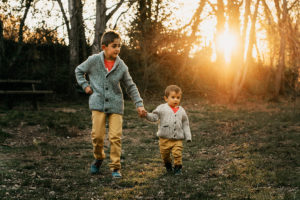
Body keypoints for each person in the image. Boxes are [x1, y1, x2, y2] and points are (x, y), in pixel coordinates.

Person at [75, 30, 146, 178]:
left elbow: (130, 86)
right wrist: (85, 85)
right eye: (114, 46)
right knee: (97, 136)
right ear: (104, 47)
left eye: (119, 46)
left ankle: (115, 167)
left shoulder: (121, 66)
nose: (117, 49)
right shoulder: (94, 60)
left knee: (115, 137)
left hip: (115, 105)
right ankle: (99, 158)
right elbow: (79, 70)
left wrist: (139, 104)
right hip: (97, 104)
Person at [144, 85, 192, 175]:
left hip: (177, 139)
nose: (176, 100)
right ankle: (168, 165)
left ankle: (178, 168)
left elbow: (185, 124)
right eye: (173, 97)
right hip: (164, 139)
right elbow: (154, 117)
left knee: (177, 153)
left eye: (178, 97)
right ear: (166, 98)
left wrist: (188, 136)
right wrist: (146, 115)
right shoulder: (162, 108)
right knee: (165, 155)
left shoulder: (181, 111)